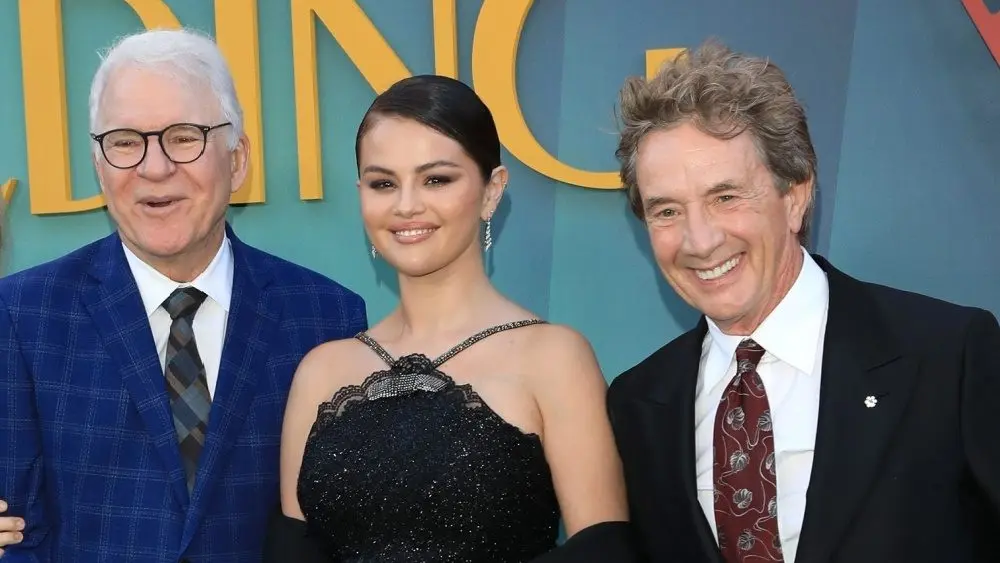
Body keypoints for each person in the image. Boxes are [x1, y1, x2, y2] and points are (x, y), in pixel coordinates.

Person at [605, 39, 1000, 563]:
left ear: (794, 196)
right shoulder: (638, 405)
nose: (699, 241)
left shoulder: (948, 356)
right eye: (667, 211)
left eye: (725, 197)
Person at [0, 28, 366, 562]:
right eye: (126, 141)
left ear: (237, 159)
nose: (154, 168)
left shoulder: (325, 318)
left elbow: (344, 530)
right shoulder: (22, 315)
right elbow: (17, 535)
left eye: (184, 136)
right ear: (99, 166)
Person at [262, 74, 639, 562]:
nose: (406, 206)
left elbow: (602, 551)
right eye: (383, 183)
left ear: (491, 190)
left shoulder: (554, 358)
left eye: (436, 179)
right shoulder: (322, 371)